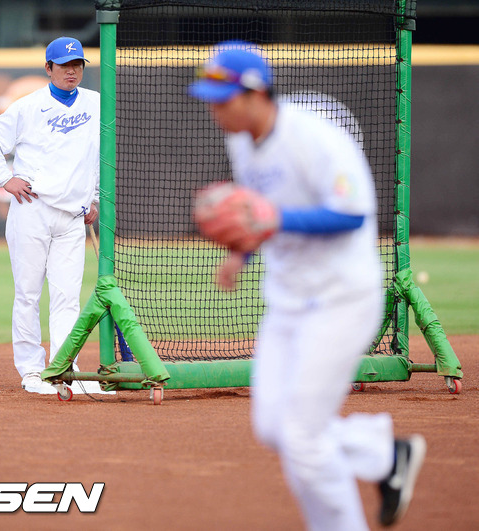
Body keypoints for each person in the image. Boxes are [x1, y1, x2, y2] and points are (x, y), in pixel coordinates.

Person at [189, 41, 426, 530]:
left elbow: (352, 212)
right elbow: (256, 210)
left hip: (341, 298)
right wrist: (241, 252)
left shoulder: (314, 137)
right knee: (273, 427)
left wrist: (276, 220)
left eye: (223, 100)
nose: (215, 111)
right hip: (288, 300)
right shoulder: (241, 141)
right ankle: (382, 454)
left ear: (256, 93)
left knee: (302, 436)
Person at [0, 37, 102, 395]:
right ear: (48, 68)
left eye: (76, 64)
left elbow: (98, 154)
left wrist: (94, 196)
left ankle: (64, 368)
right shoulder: (28, 106)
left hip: (73, 217)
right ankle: (32, 370)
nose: (71, 71)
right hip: (32, 209)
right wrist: (4, 178)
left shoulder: (96, 103)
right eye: (64, 65)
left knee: (67, 297)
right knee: (28, 294)